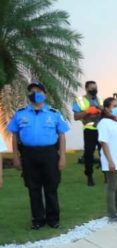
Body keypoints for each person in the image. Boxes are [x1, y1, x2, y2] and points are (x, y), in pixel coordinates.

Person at [7, 82, 70, 229]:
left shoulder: (54, 113)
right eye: (32, 91)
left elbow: (61, 135)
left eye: (39, 90)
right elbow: (14, 136)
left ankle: (53, 218)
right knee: (33, 188)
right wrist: (15, 155)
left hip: (49, 154)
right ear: (28, 95)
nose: (35, 93)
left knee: (51, 187)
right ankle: (38, 219)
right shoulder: (20, 113)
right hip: (28, 155)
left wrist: (62, 156)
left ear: (45, 94)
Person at [72, 80, 102, 186]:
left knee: (104, 153)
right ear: (87, 88)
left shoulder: (99, 99)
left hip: (102, 129)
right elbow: (76, 117)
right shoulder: (80, 100)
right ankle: (89, 176)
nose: (94, 90)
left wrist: (101, 110)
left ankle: (107, 174)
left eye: (95, 87)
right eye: (92, 88)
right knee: (89, 154)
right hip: (90, 131)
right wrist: (88, 111)